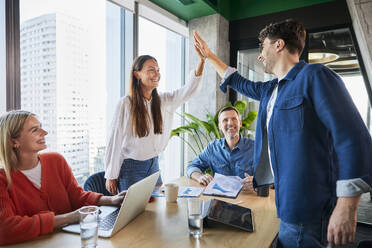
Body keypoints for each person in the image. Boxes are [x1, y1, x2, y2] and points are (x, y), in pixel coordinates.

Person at [193, 19, 372, 248]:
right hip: (286, 206)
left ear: (278, 45)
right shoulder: (271, 89)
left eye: (263, 47)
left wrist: (347, 206)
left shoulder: (314, 76)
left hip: (310, 210)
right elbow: (237, 81)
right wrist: (209, 56)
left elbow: (353, 138)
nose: (260, 55)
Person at [0, 110, 127, 245]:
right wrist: (69, 218)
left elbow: (77, 197)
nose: (44, 133)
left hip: (69, 242)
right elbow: (5, 229)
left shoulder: (56, 161)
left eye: (41, 127)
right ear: (14, 142)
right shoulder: (3, 179)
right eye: (34, 130)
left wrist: (112, 200)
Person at [105, 49, 205, 194]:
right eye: (151, 70)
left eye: (158, 70)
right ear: (137, 74)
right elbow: (115, 138)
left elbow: (188, 90)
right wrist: (111, 175)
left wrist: (201, 62)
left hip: (153, 165)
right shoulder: (126, 103)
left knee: (156, 210)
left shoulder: (163, 101)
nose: (157, 74)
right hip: (131, 169)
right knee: (133, 214)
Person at [186, 106, 255, 191]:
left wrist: (256, 181)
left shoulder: (254, 147)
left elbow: (271, 176)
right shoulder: (212, 148)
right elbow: (192, 167)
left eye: (234, 119)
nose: (230, 123)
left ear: (240, 123)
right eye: (225, 120)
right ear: (220, 126)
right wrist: (200, 177)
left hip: (247, 200)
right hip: (220, 201)